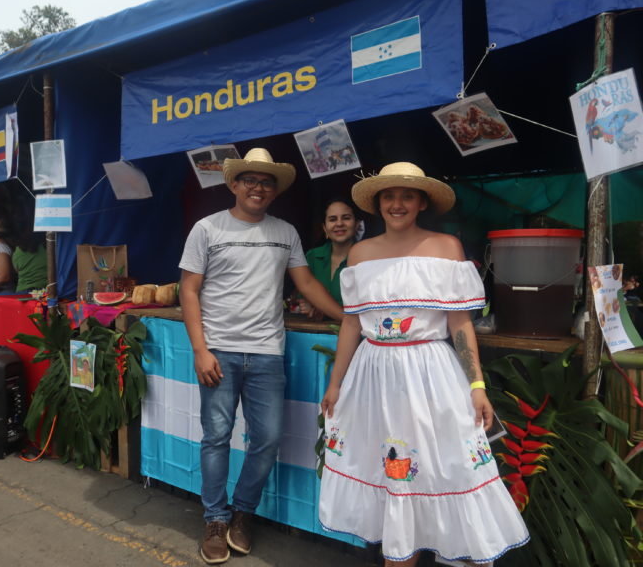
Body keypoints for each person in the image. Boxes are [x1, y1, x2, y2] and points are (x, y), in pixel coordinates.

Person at [318, 162, 529, 566]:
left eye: (407, 196)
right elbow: (351, 323)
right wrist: (335, 383)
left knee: (447, 467)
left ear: (421, 203)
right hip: (373, 377)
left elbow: (460, 323)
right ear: (378, 204)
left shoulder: (446, 247)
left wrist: (477, 386)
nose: (397, 204)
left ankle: (454, 549)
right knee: (390, 471)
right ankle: (399, 557)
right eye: (389, 196)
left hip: (432, 374)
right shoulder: (360, 254)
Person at [179, 147, 344, 565]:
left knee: (268, 441)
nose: (257, 187)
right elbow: (188, 290)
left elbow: (305, 282)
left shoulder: (285, 232)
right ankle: (215, 519)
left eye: (266, 181)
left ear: (274, 191)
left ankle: (242, 514)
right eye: (250, 180)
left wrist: (346, 318)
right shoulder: (207, 229)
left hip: (268, 353)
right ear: (234, 184)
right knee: (216, 438)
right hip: (219, 351)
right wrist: (200, 350)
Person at [298, 197, 360, 318]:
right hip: (314, 333)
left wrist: (322, 308)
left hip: (356, 333)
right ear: (325, 228)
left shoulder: (366, 258)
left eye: (346, 218)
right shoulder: (312, 256)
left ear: (357, 224)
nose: (339, 223)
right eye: (332, 219)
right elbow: (303, 298)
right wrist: (307, 304)